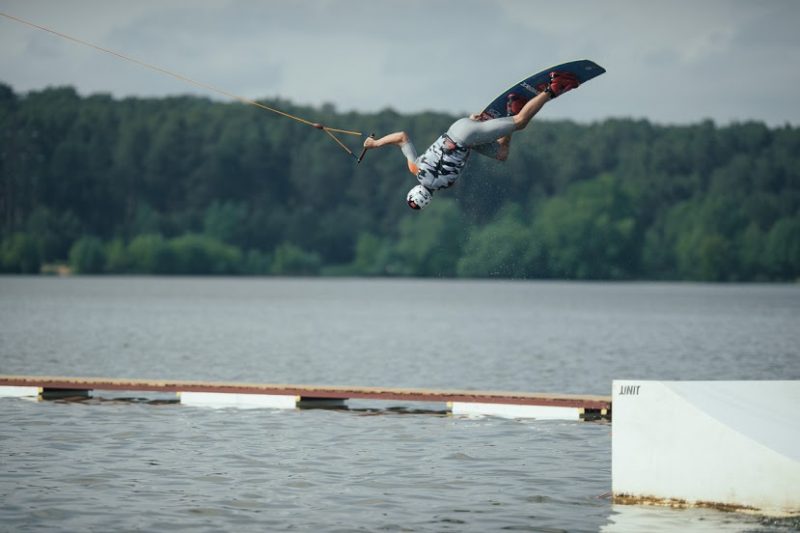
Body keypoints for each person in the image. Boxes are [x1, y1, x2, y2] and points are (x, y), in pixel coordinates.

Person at [361, 71, 580, 209]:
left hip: (468, 138)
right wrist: (375, 144)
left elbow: (460, 158)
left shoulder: (447, 184)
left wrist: (476, 130)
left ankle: (554, 87)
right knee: (501, 154)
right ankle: (513, 107)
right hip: (458, 128)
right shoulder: (414, 168)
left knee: (521, 122)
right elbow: (401, 137)